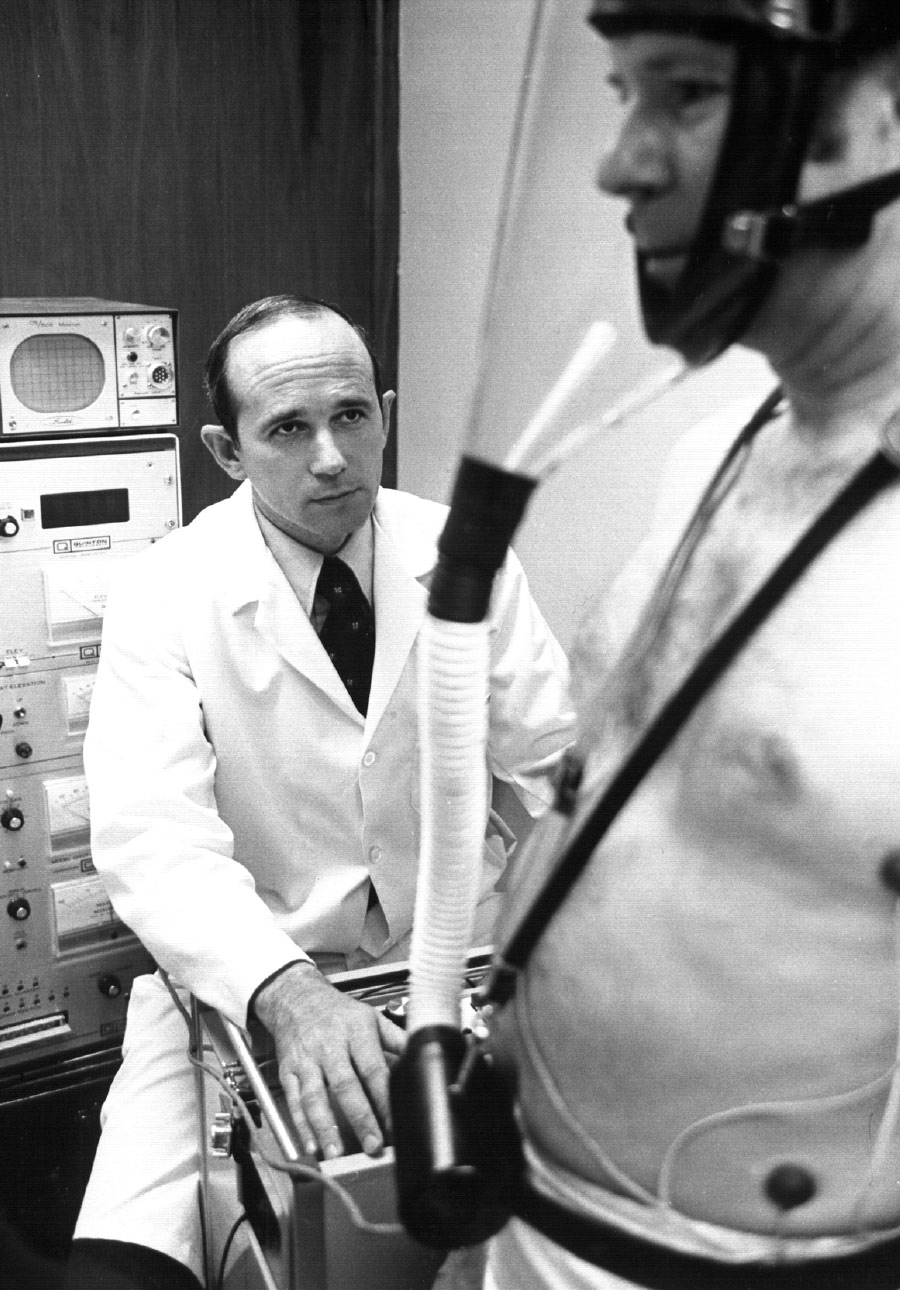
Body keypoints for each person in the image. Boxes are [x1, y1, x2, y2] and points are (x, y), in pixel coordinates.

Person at [479, 2, 900, 1287]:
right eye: (619, 92)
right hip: (527, 1221)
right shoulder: (715, 451)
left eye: (685, 94)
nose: (621, 161)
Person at [63, 294, 574, 1290]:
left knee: (505, 1230)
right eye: (289, 429)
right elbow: (151, 838)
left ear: (384, 411)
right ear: (226, 447)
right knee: (129, 1270)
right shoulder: (165, 592)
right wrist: (289, 999)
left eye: (352, 416)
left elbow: (557, 763)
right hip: (249, 971)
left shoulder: (464, 558)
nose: (332, 456)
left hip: (455, 954)